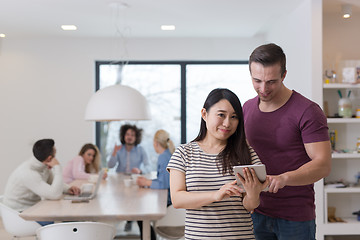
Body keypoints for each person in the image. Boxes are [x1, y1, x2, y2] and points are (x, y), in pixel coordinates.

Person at [243, 43, 332, 240]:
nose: (263, 89)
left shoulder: (307, 111)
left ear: (284, 75)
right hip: (256, 212)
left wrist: (284, 179)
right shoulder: (247, 109)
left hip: (295, 216)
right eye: (257, 80)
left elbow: (323, 165)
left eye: (271, 81)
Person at [167, 88, 269, 239]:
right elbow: (177, 200)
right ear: (204, 114)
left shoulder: (246, 153)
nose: (227, 123)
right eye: (221, 115)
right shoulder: (183, 153)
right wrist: (216, 195)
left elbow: (250, 206)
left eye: (234, 117)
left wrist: (253, 193)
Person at [3, 139, 80, 226]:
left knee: (68, 215)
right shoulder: (28, 173)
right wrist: (58, 167)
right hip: (19, 215)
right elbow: (55, 195)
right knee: (53, 219)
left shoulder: (42, 166)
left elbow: (52, 181)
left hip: (33, 208)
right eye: (55, 154)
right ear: (50, 158)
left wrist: (68, 188)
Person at [108, 124, 150, 232]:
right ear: (123, 136)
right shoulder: (118, 149)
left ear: (136, 137)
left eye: (132, 134)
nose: (129, 137)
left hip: (135, 180)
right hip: (120, 180)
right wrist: (114, 153)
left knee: (135, 201)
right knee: (120, 201)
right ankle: (125, 221)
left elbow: (148, 166)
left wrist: (140, 171)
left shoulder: (141, 150)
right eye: (127, 134)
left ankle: (131, 220)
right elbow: (110, 165)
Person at [136, 129, 175, 239]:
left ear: (156, 143)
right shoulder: (168, 154)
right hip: (171, 200)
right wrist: (148, 182)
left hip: (169, 202)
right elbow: (163, 180)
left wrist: (146, 182)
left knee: (141, 214)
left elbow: (164, 184)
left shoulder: (163, 157)